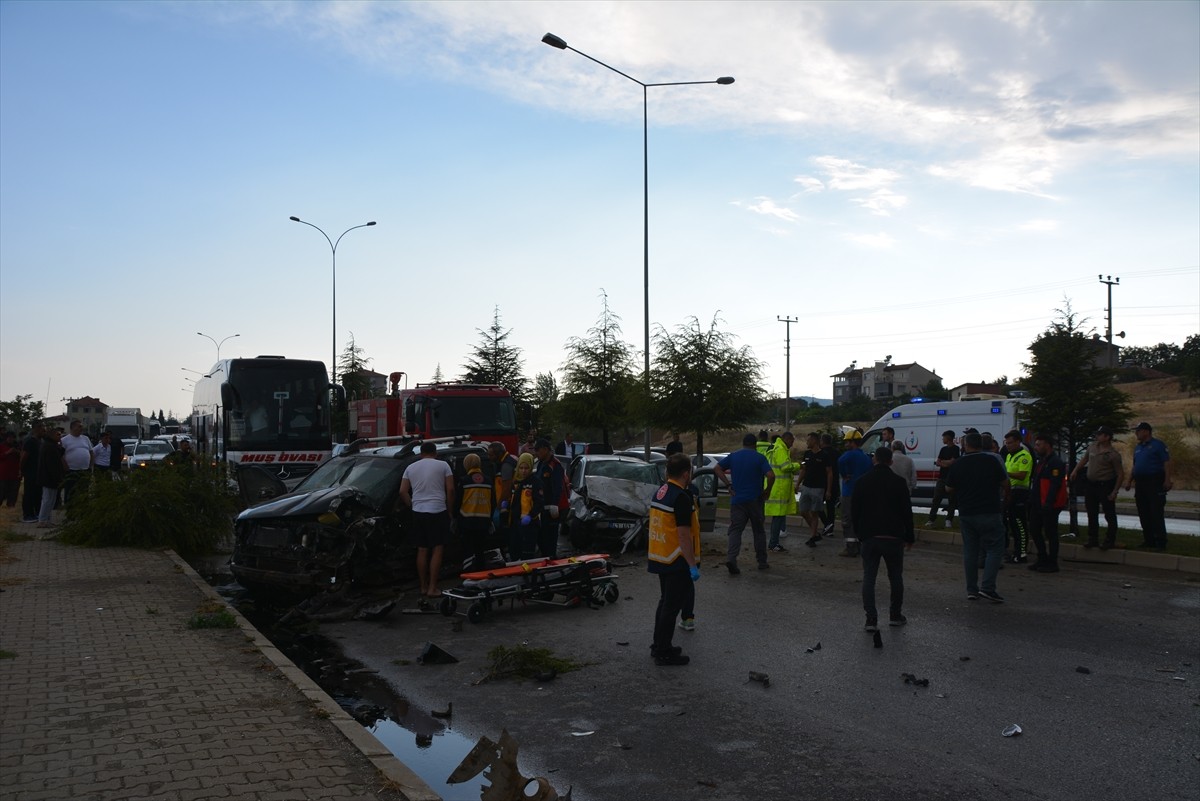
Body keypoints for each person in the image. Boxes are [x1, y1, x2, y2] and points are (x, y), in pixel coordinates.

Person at [852, 447, 914, 631]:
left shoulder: (862, 482)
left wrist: (859, 534)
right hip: (893, 537)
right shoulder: (899, 482)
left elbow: (855, 511)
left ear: (874, 460)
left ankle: (871, 619)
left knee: (869, 577)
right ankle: (895, 615)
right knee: (895, 576)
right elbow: (906, 512)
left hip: (870, 536)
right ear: (891, 462)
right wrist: (909, 535)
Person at [648, 454, 701, 666]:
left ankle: (659, 645)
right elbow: (683, 535)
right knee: (671, 607)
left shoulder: (661, 492)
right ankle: (664, 652)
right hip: (677, 560)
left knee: (665, 603)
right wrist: (692, 565)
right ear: (686, 473)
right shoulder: (681, 497)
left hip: (662, 556)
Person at [945, 431, 1009, 603]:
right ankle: (988, 588)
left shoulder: (958, 464)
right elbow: (1005, 483)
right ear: (982, 445)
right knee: (995, 548)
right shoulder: (992, 460)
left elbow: (948, 489)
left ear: (965, 445)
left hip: (967, 512)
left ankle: (971, 590)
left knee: (970, 551)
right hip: (990, 510)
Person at [399, 441, 455, 604]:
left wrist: (412, 504)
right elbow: (450, 490)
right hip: (438, 510)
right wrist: (449, 510)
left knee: (422, 550)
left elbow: (402, 491)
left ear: (421, 453)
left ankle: (423, 586)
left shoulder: (410, 467)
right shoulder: (443, 465)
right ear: (435, 452)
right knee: (437, 548)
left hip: (418, 511)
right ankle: (432, 587)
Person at [714, 433, 775, 574]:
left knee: (735, 530)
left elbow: (717, 468)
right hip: (755, 500)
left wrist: (728, 485)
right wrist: (767, 491)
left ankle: (731, 558)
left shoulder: (733, 456)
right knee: (758, 531)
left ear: (743, 443)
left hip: (737, 500)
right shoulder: (759, 458)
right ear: (755, 444)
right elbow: (771, 475)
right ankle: (762, 561)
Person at [1070, 426, 1126, 550]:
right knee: (1091, 512)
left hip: (1105, 485)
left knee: (1109, 513)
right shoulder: (1092, 447)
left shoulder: (1113, 454)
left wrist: (1115, 491)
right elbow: (1084, 459)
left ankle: (1110, 539)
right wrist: (1075, 470)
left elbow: (1120, 474)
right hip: (1091, 485)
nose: (1097, 436)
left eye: (1100, 434)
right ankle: (1092, 538)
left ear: (1107, 437)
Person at [1123, 422, 1172, 550]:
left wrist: (1167, 480)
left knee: (1156, 512)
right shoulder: (1138, 448)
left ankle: (1160, 541)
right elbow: (1135, 465)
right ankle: (1148, 540)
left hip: (1154, 481)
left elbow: (1166, 463)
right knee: (1143, 512)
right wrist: (1129, 481)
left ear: (1146, 431)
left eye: (1138, 431)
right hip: (1140, 483)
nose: (1136, 433)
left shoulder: (1157, 445)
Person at [1027, 433, 1067, 573]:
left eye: (1039, 445)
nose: (1036, 447)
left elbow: (1055, 485)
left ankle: (1052, 561)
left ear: (1047, 445)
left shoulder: (1055, 462)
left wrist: (1049, 503)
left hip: (1048, 504)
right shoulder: (1042, 461)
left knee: (1051, 533)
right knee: (1034, 530)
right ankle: (1042, 557)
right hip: (1038, 503)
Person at [457, 453, 496, 571]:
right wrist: (490, 518)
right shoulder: (488, 481)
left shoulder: (464, 481)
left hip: (467, 522)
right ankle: (481, 575)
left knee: (468, 551)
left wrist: (455, 517)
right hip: (484, 522)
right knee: (480, 551)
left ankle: (469, 575)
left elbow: (458, 501)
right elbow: (493, 502)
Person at [836, 430, 871, 557]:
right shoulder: (866, 457)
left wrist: (844, 475)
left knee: (847, 519)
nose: (845, 444)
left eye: (847, 442)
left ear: (852, 442)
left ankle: (850, 548)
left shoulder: (849, 455)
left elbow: (839, 461)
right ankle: (859, 546)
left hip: (849, 492)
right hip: (863, 493)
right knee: (859, 519)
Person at [764, 432, 800, 552]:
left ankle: (773, 543)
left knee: (777, 518)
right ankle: (773, 544)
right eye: (791, 440)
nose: (792, 443)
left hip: (776, 488)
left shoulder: (777, 447)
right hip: (779, 489)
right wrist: (798, 466)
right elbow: (785, 467)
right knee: (778, 518)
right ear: (786, 439)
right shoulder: (780, 449)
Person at [503, 452, 543, 561]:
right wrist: (507, 503)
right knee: (514, 551)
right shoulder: (516, 482)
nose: (524, 471)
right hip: (515, 522)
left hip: (529, 524)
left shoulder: (535, 482)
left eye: (526, 468)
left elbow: (539, 503)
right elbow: (514, 499)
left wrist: (530, 516)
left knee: (527, 554)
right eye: (521, 468)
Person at [798, 432, 834, 548]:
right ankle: (815, 532)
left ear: (814, 441)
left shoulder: (824, 455)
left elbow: (829, 473)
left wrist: (828, 490)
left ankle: (813, 536)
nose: (807, 442)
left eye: (808, 440)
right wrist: (798, 483)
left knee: (814, 512)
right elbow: (803, 469)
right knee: (803, 511)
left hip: (818, 488)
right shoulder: (807, 454)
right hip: (806, 486)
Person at [1002, 430, 1032, 563]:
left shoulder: (1024, 456)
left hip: (1020, 492)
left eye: (1010, 443)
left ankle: (1022, 553)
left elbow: (1022, 475)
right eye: (1006, 443)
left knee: (1020, 523)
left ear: (1018, 442)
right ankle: (1016, 552)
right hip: (1010, 491)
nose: (1008, 445)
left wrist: (1006, 473)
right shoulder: (1009, 456)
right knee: (1012, 523)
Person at [533, 438, 566, 559]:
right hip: (541, 507)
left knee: (550, 538)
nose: (536, 453)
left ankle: (551, 559)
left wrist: (555, 505)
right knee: (541, 537)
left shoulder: (555, 466)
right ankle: (546, 557)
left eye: (538, 450)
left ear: (546, 450)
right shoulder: (541, 464)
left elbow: (557, 487)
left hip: (551, 508)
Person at [925, 430, 960, 528]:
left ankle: (949, 520)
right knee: (936, 499)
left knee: (952, 500)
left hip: (951, 479)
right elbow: (938, 462)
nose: (942, 439)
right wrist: (945, 463)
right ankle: (931, 519)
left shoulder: (956, 449)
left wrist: (944, 463)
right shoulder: (943, 449)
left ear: (948, 438)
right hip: (941, 478)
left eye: (943, 437)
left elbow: (953, 462)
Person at [36, 428, 66, 529]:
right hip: (48, 477)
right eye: (58, 435)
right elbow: (51, 465)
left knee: (51, 500)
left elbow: (59, 455)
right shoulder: (48, 447)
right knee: (47, 499)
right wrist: (57, 477)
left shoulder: (52, 446)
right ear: (52, 436)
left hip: (51, 477)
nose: (60, 437)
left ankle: (46, 519)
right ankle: (42, 520)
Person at [59, 419, 92, 507]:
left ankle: (82, 509)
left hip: (85, 470)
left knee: (84, 490)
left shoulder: (86, 438)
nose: (81, 428)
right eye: (79, 426)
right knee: (70, 491)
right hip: (71, 470)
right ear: (72, 427)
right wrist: (65, 466)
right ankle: (70, 510)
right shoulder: (64, 440)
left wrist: (90, 465)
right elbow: (60, 455)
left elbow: (91, 452)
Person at [19, 422, 45, 523]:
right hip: (30, 472)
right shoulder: (30, 441)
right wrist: (21, 470)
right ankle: (27, 515)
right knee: (29, 493)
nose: (44, 430)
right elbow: (24, 457)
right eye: (42, 428)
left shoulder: (40, 441)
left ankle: (36, 513)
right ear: (36, 429)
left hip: (39, 473)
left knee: (37, 493)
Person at [488, 441, 518, 516]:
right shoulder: (509, 459)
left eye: (491, 455)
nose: (489, 457)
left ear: (499, 454)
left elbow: (506, 489)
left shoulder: (506, 465)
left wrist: (499, 507)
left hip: (508, 505)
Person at [819, 433, 839, 536]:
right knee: (831, 508)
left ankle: (827, 524)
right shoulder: (836, 453)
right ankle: (830, 527)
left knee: (817, 505)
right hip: (834, 483)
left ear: (822, 441)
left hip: (822, 483)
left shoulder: (822, 453)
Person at [0, 431, 21, 508]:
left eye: (12, 437)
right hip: (3, 473)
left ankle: (11, 504)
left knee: (13, 490)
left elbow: (22, 455)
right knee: (2, 490)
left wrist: (16, 451)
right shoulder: (1, 446)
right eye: (9, 437)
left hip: (14, 472)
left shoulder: (17, 446)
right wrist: (7, 453)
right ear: (6, 438)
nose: (11, 439)